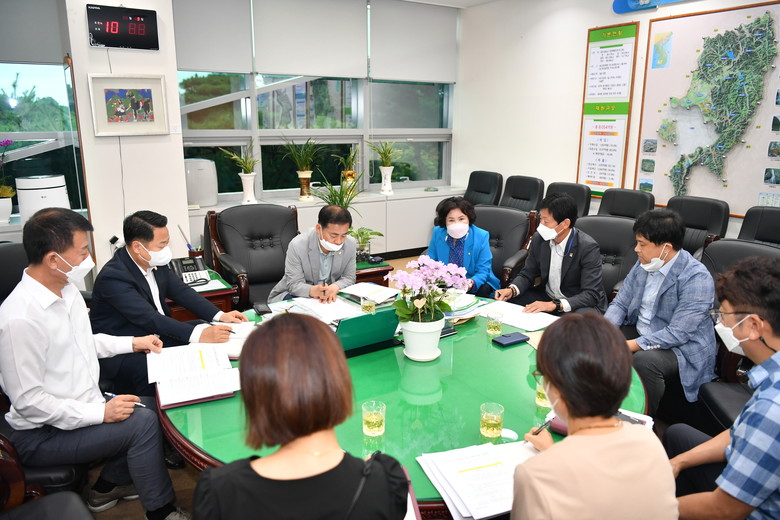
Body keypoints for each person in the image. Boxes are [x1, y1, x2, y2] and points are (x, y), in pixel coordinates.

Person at [0, 208, 188, 520]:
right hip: (42, 433)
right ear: (53, 259)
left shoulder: (66, 291)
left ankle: (108, 486)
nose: (89, 257)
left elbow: (83, 342)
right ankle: (161, 511)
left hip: (81, 404)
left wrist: (133, 342)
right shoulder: (20, 319)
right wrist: (101, 413)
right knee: (141, 423)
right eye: (83, 251)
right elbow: (30, 403)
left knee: (156, 405)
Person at [192, 313, 408, 519]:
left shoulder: (220, 491)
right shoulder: (384, 484)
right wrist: (374, 473)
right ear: (339, 382)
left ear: (255, 395)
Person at [513, 313, 677, 519]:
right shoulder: (650, 442)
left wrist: (551, 458)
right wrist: (552, 452)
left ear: (559, 391)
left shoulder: (535, 475)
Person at [664, 256, 780, 520]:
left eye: (725, 315)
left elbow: (725, 509)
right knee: (678, 436)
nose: (722, 324)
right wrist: (679, 461)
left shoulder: (772, 408)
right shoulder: (771, 373)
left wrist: (650, 508)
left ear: (754, 326)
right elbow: (742, 431)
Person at [90, 210, 247, 396]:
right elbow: (149, 318)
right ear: (138, 247)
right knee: (180, 358)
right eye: (162, 244)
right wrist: (199, 335)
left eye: (167, 242)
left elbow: (182, 291)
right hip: (125, 351)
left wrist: (220, 315)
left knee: (204, 328)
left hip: (155, 335)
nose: (166, 249)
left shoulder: (154, 262)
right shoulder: (114, 277)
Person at [604, 209, 716, 417]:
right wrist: (604, 331)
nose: (636, 249)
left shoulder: (696, 277)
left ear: (666, 248)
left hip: (681, 347)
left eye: (642, 244)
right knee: (598, 340)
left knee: (645, 362)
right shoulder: (645, 263)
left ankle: (642, 420)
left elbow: (678, 333)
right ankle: (603, 404)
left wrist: (628, 345)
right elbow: (620, 303)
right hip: (643, 330)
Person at [495, 193, 607, 314]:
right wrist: (511, 290)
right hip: (547, 296)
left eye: (546, 221)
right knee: (511, 303)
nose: (541, 225)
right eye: (540, 219)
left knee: (577, 320)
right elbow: (528, 273)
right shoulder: (539, 238)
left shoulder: (587, 247)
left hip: (576, 302)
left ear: (565, 224)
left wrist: (555, 305)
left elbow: (590, 294)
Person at [268, 205, 356, 304]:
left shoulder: (350, 244)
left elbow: (349, 278)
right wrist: (314, 290)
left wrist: (335, 287)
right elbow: (294, 285)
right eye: (333, 235)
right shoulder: (297, 245)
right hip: (297, 295)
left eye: (344, 235)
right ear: (318, 229)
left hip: (330, 297)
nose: (339, 241)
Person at [427, 196, 500, 297]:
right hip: (445, 282)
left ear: (468, 218)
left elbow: (483, 270)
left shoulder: (481, 236)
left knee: (482, 289)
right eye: (451, 220)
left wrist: (471, 282)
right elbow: (431, 261)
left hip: (473, 282)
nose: (457, 224)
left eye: (461, 219)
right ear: (445, 221)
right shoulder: (438, 232)